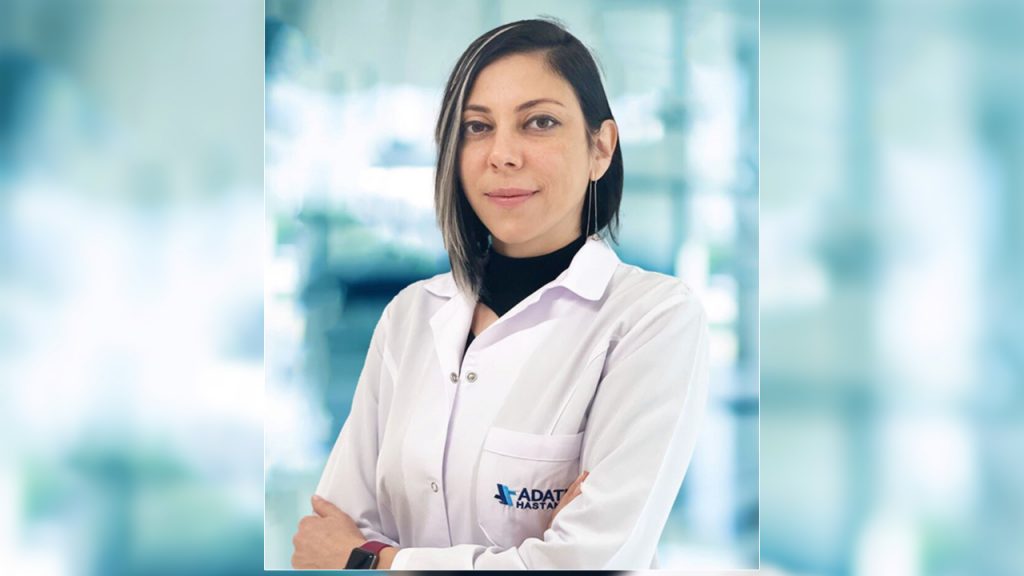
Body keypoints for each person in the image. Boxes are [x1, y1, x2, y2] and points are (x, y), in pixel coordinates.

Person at [291, 18, 709, 570]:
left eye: (539, 122)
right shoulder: (410, 316)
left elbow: (587, 561)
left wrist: (374, 562)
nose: (503, 155)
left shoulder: (651, 320)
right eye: (477, 126)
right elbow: (328, 535)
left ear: (601, 148)